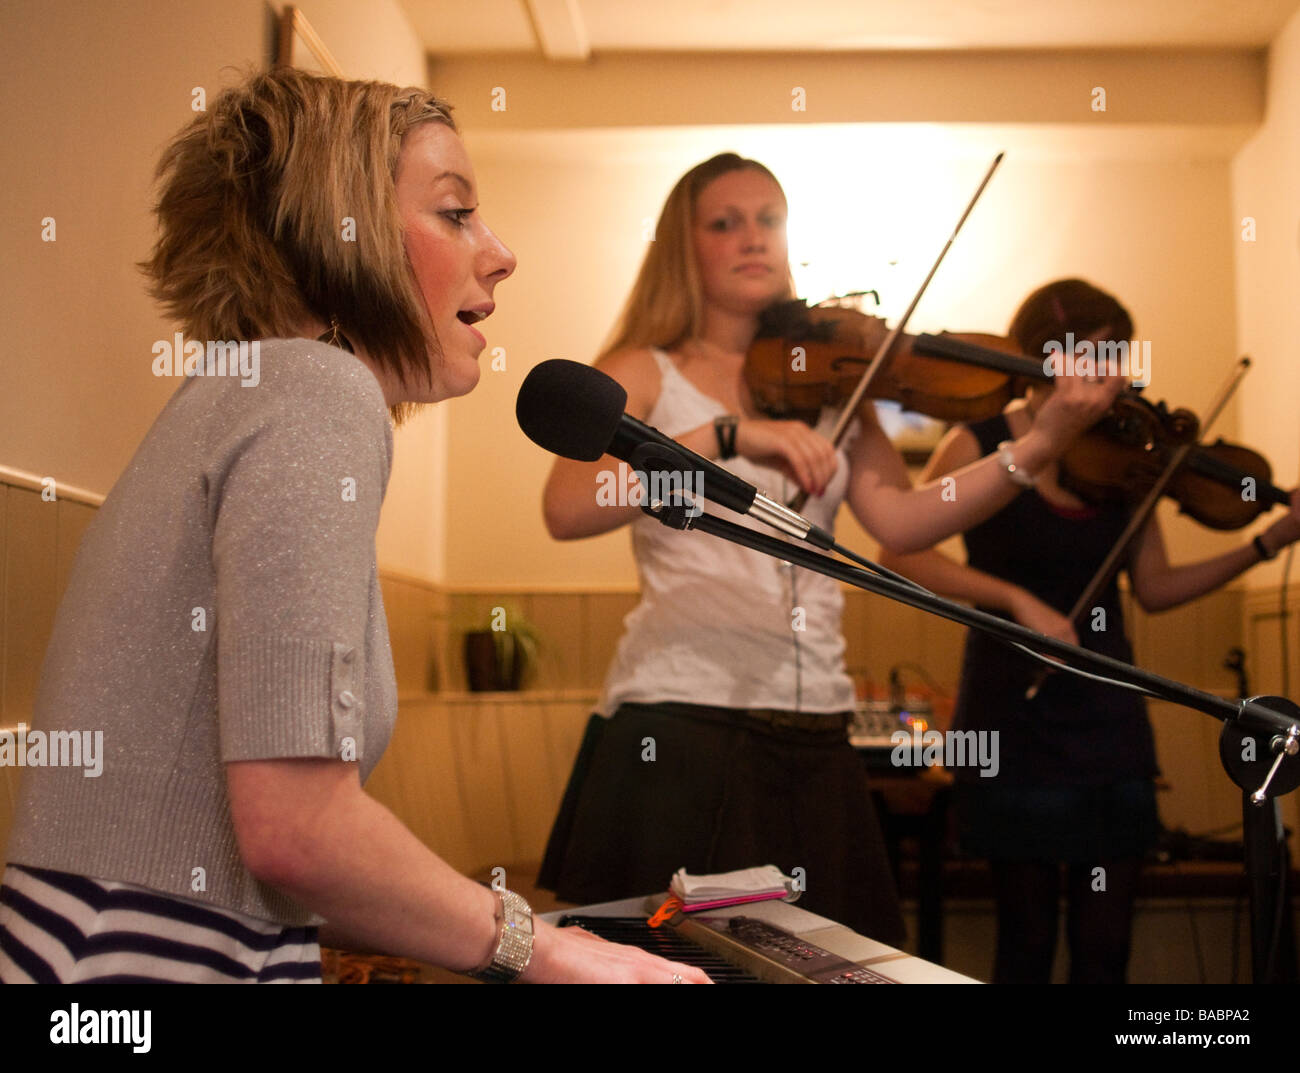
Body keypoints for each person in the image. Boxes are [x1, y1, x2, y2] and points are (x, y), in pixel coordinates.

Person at [0, 67, 710, 985]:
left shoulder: (253, 387)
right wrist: (545, 947)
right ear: (344, 235)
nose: (500, 254)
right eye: (456, 214)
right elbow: (299, 830)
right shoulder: (313, 390)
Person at [536, 154, 1126, 944]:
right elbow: (571, 505)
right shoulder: (646, 370)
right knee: (675, 963)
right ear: (685, 247)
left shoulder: (833, 387)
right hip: (682, 717)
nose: (753, 238)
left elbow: (909, 521)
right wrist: (726, 434)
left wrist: (1041, 442)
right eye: (724, 222)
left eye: (769, 219)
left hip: (816, 724)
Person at [878, 277, 1300, 982]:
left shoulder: (1129, 453)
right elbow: (901, 550)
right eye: (1095, 357)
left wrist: (1266, 543)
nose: (1114, 379)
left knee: (1107, 948)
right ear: (1043, 356)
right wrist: (1013, 597)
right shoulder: (978, 441)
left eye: (1119, 360)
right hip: (1012, 714)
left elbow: (1158, 588)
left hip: (1108, 720)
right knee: (1026, 940)